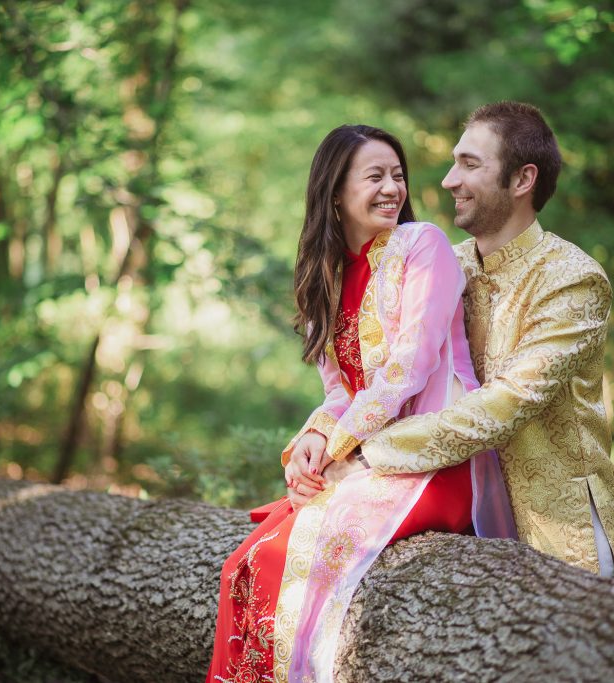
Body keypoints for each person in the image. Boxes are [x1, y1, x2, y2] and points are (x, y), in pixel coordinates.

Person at [205, 125, 516, 683]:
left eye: (398, 175)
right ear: (334, 193)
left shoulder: (422, 247)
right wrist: (312, 442)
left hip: (433, 458)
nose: (392, 188)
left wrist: (338, 449)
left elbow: (408, 368)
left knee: (287, 559)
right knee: (243, 565)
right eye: (375, 176)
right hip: (368, 458)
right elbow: (339, 390)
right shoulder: (327, 275)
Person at [353, 101, 614, 582]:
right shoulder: (447, 265)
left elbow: (505, 405)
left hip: (562, 540)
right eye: (453, 162)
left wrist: (371, 452)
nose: (448, 180)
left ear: (522, 180)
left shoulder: (572, 280)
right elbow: (386, 369)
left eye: (469, 165)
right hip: (462, 531)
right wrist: (325, 435)